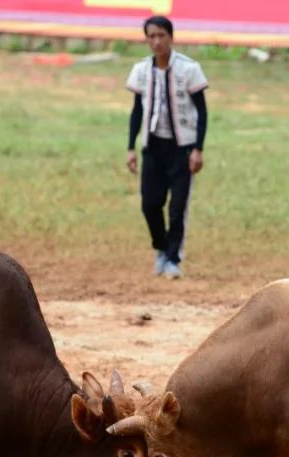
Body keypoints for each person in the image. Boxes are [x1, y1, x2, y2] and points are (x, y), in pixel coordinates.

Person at [125, 15, 208, 280]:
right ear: (146, 39)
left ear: (171, 37)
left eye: (161, 35)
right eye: (152, 36)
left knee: (177, 207)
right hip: (153, 146)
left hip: (181, 147)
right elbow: (136, 111)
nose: (157, 41)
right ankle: (161, 247)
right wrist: (130, 147)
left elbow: (202, 111)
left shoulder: (189, 69)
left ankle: (172, 258)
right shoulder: (141, 70)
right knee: (150, 204)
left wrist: (198, 148)